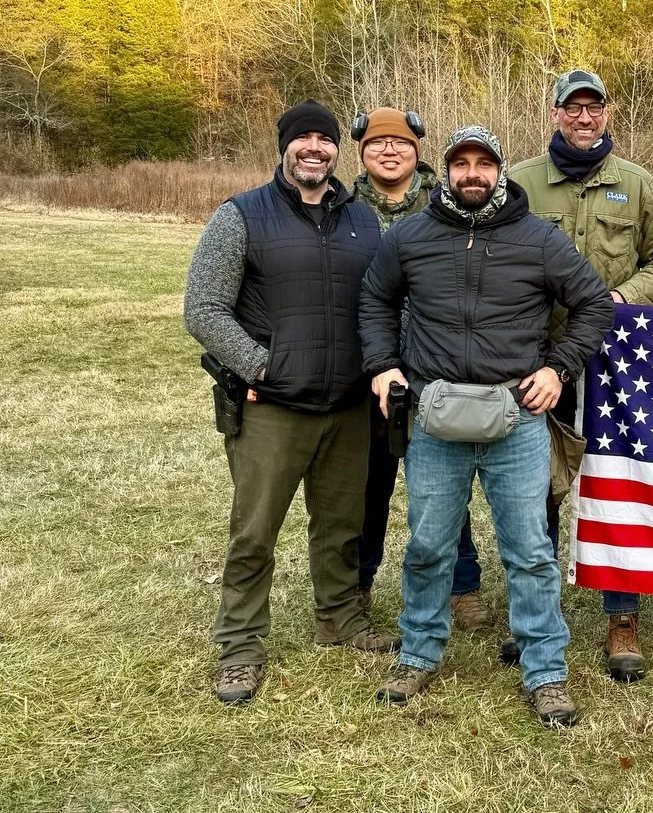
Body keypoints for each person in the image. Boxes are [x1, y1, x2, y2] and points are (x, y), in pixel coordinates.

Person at [359, 125, 614, 726]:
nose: (472, 174)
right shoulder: (411, 237)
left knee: (529, 550)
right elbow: (375, 300)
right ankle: (419, 651)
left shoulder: (538, 240)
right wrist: (383, 366)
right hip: (433, 415)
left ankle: (546, 671)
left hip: (517, 417)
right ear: (445, 171)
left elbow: (593, 304)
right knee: (427, 544)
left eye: (484, 164)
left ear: (500, 170)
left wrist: (558, 368)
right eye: (460, 164)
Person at [184, 100, 387, 706]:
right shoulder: (241, 215)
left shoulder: (364, 222)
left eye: (325, 140)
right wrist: (261, 365)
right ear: (284, 147)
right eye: (303, 139)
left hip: (348, 406)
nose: (314, 149)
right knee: (254, 531)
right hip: (272, 407)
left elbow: (381, 304)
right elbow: (203, 309)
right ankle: (241, 645)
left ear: (336, 151)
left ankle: (340, 619)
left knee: (342, 527)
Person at [511, 69, 653, 683]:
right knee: (538, 486)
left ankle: (622, 618)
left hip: (615, 361)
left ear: (607, 114)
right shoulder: (521, 183)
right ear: (555, 114)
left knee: (616, 483)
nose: (584, 118)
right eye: (572, 108)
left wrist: (616, 302)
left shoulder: (635, 185)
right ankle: (537, 613)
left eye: (594, 108)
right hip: (537, 355)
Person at [350, 107, 485, 630]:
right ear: (361, 152)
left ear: (418, 151)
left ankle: (463, 587)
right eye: (377, 143)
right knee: (369, 483)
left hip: (437, 368)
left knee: (444, 486)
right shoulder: (343, 211)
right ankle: (357, 584)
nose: (390, 150)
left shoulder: (446, 207)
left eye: (400, 142)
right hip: (370, 369)